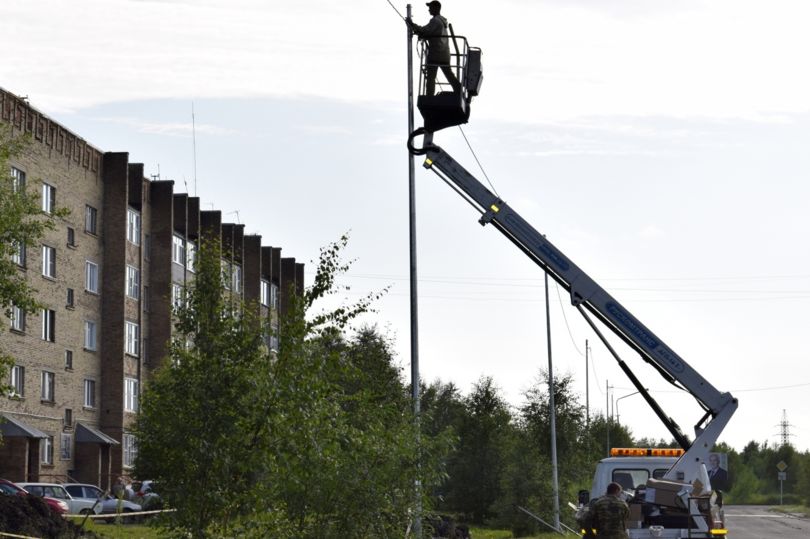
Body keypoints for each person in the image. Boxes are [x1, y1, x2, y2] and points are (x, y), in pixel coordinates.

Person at [407, 1, 462, 95]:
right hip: (445, 53)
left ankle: (430, 96)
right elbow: (429, 33)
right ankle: (459, 91)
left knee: (431, 76)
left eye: (431, 7)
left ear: (436, 8)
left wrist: (412, 24)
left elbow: (424, 31)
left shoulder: (435, 21)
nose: (429, 10)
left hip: (436, 53)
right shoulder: (442, 22)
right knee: (449, 74)